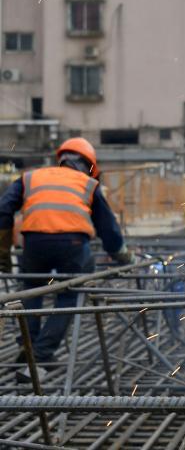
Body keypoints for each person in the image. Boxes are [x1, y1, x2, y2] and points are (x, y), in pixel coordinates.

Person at [0, 137, 131, 382]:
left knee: (31, 289)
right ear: (89, 165)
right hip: (72, 244)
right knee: (71, 292)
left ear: (61, 159)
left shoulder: (31, 177)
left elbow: (3, 209)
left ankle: (28, 345)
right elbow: (109, 231)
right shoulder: (88, 184)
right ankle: (41, 354)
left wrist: (3, 250)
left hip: (34, 243)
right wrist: (123, 256)